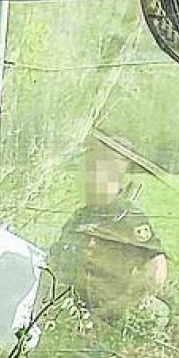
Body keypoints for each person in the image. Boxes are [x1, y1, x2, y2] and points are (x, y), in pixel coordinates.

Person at [55, 132, 169, 321]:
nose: (86, 178)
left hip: (106, 320)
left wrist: (117, 308)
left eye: (93, 171)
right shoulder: (80, 216)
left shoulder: (127, 217)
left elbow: (156, 272)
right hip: (72, 314)